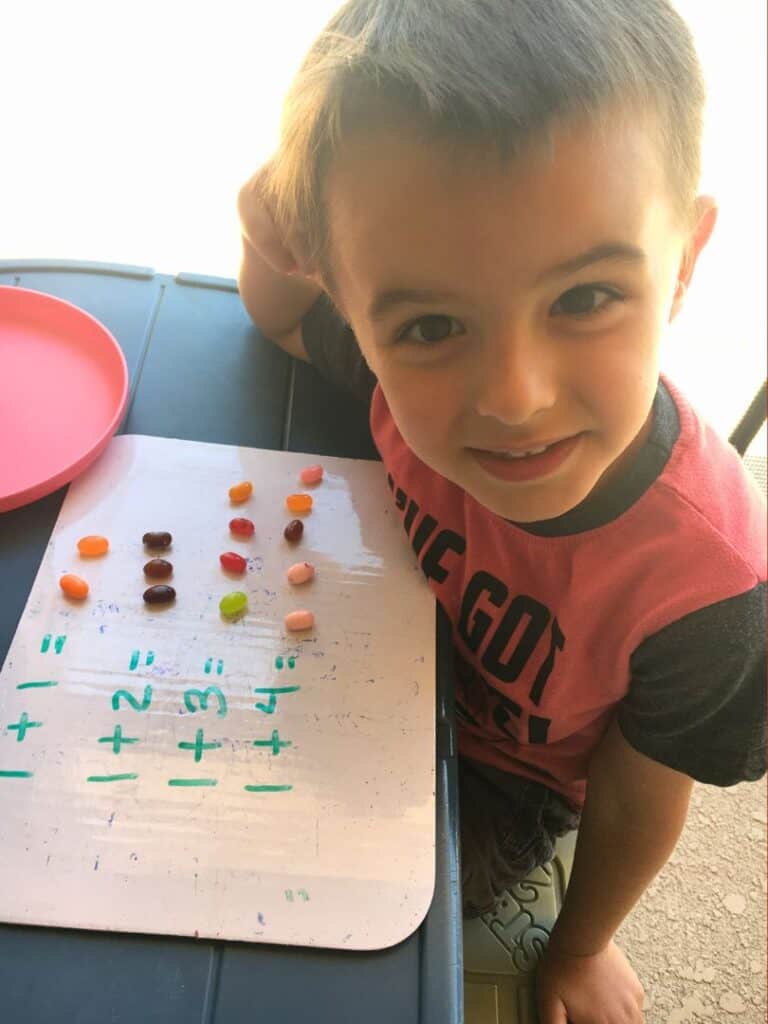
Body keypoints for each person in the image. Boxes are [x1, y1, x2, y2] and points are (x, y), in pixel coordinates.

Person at [236, 1, 767, 1020]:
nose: (514, 396)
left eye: (584, 298)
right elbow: (279, 315)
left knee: (333, 939)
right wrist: (266, 232)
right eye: (433, 323)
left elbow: (635, 793)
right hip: (353, 663)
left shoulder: (710, 591)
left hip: (501, 782)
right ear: (356, 298)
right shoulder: (396, 378)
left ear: (686, 260)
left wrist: (582, 946)